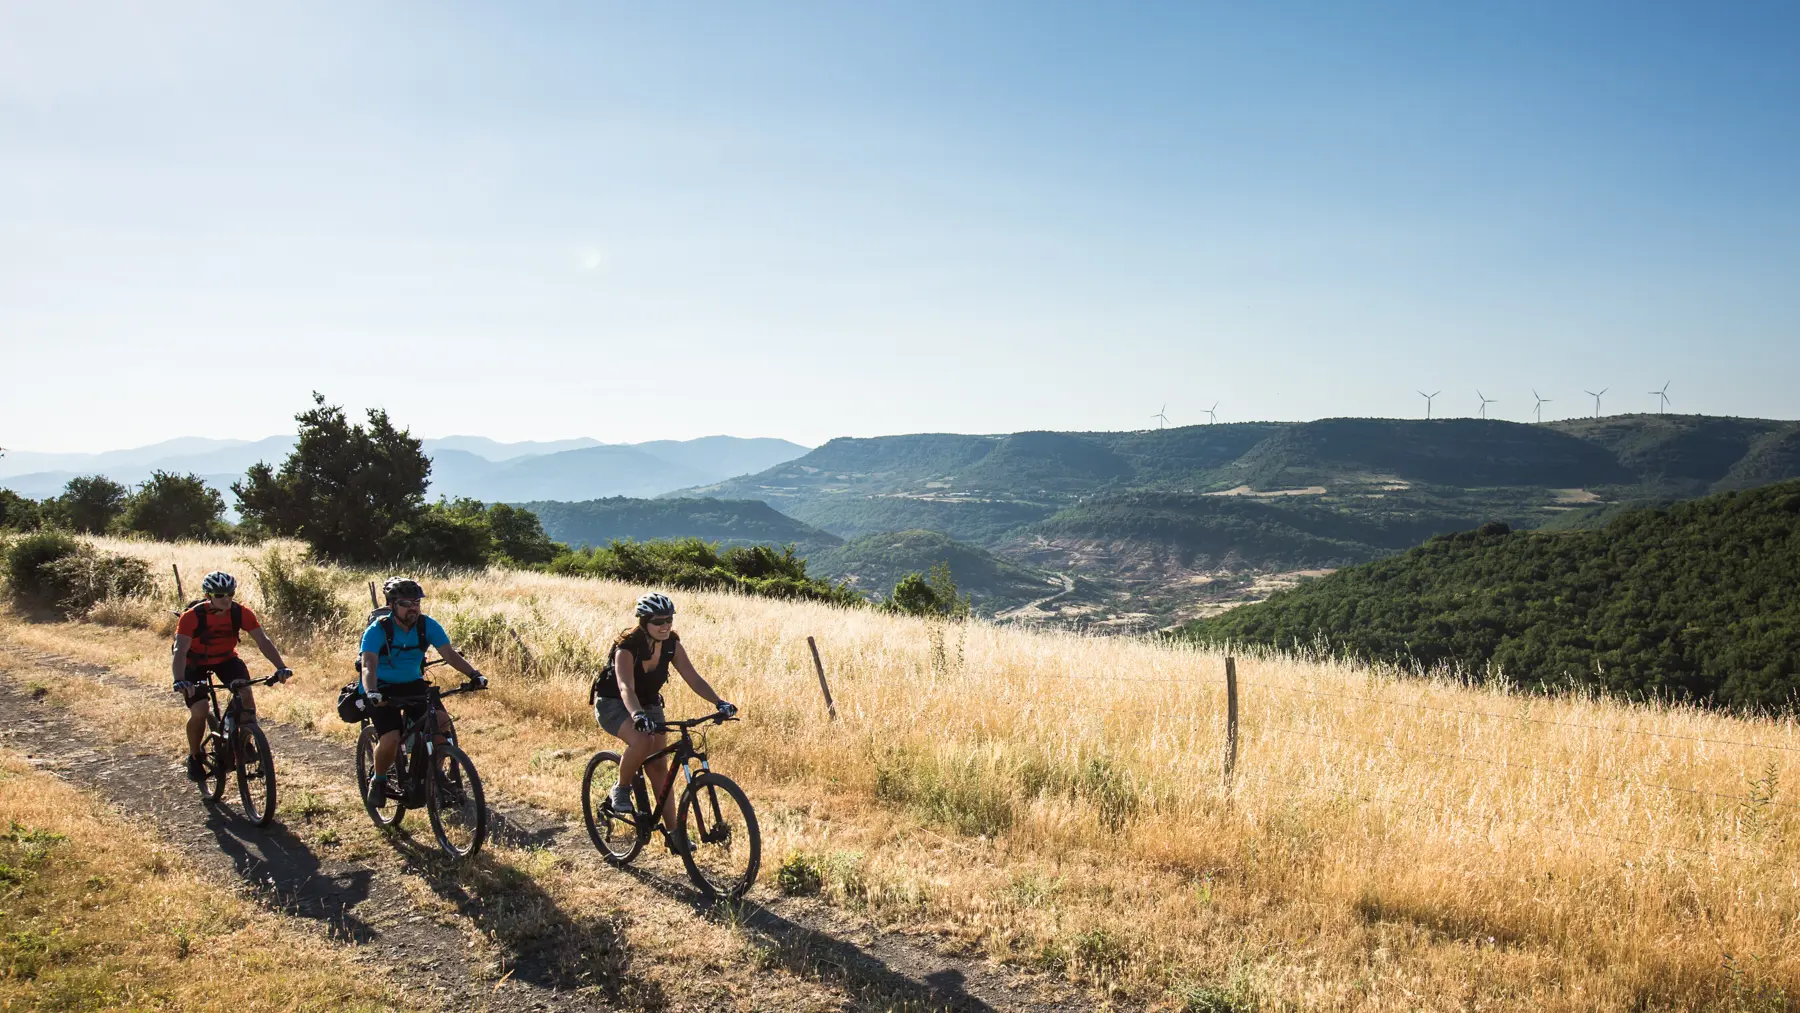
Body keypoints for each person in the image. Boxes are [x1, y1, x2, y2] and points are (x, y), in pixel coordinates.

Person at [594, 593, 736, 843]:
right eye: (658, 621)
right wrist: (637, 715)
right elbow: (625, 687)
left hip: (648, 703)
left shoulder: (671, 644)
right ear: (644, 622)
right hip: (613, 704)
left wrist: (719, 702)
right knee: (642, 742)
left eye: (669, 619)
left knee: (658, 767)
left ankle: (675, 835)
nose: (665, 625)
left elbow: (694, 678)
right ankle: (621, 789)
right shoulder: (627, 648)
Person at [359, 577, 487, 798]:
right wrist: (371, 692)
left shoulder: (427, 625)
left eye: (416, 603)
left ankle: (434, 773)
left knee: (441, 723)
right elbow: (368, 665)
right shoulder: (377, 630)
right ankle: (378, 781)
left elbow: (449, 654)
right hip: (381, 688)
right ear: (391, 605)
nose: (413, 608)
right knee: (390, 738)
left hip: (413, 684)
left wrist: (474, 674)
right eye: (405, 604)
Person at [171, 571, 293, 782]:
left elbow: (263, 641)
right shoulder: (191, 616)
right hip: (195, 663)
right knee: (200, 710)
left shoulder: (241, 612)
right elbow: (180, 650)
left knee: (245, 692)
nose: (226, 599)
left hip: (226, 659)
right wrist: (180, 679)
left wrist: (281, 667)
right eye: (220, 595)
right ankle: (194, 756)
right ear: (208, 595)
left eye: (230, 593)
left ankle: (245, 738)